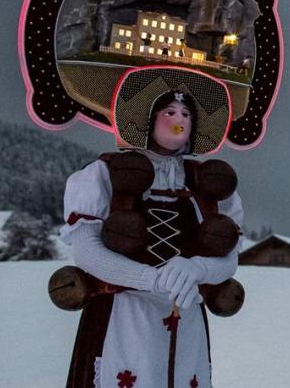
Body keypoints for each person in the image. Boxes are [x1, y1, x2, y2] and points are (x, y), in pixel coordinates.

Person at [61, 70, 243, 388]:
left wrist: (198, 269)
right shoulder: (103, 173)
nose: (179, 119)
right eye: (169, 111)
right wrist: (150, 279)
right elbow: (86, 252)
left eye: (186, 114)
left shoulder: (209, 183)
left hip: (186, 318)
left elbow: (230, 258)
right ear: (148, 118)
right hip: (121, 315)